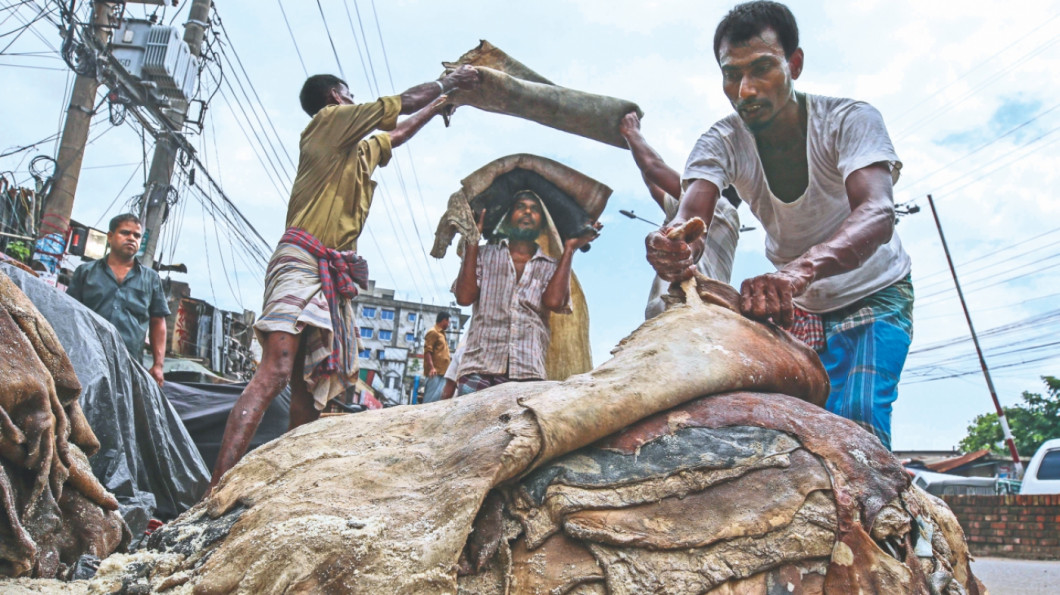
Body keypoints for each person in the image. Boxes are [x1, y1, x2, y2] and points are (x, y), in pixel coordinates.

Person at [645, 1, 912, 450]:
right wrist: (675, 244)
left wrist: (794, 273)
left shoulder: (849, 120)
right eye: (731, 74)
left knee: (858, 426)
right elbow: (692, 215)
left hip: (874, 293)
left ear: (795, 64)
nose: (745, 89)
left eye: (762, 68)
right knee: (794, 438)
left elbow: (878, 212)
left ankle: (888, 520)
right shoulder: (721, 141)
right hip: (797, 308)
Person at [209, 65, 482, 490]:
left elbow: (399, 132)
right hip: (300, 259)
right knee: (276, 370)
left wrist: (440, 104)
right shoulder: (328, 123)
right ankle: (217, 484)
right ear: (337, 97)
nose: (355, 102)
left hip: (328, 272)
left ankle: (284, 490)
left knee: (308, 387)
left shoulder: (357, 152)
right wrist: (449, 84)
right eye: (350, 95)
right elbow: (400, 105)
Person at [453, 191, 597, 395]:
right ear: (508, 217)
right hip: (479, 368)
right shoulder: (484, 255)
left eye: (535, 209)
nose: (528, 212)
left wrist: (570, 249)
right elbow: (464, 298)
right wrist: (472, 241)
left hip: (528, 372)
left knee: (520, 429)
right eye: (521, 207)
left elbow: (555, 302)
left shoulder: (550, 266)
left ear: (542, 223)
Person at [618, 111, 742, 319]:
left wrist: (632, 133)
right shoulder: (725, 217)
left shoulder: (715, 204)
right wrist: (633, 146)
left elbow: (654, 168)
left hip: (684, 307)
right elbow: (653, 181)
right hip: (706, 313)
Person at [67, 213, 169, 387]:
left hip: (129, 365)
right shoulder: (85, 273)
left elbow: (158, 322)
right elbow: (69, 314)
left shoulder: (151, 279)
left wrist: (158, 364)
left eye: (136, 235)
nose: (131, 238)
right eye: (125, 233)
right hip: (86, 360)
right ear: (110, 236)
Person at [421, 312, 451, 403]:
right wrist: (431, 368)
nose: (448, 324)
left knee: (438, 401)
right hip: (434, 373)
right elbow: (427, 351)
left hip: (443, 373)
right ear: (444, 320)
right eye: (448, 322)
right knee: (430, 400)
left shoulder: (442, 334)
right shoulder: (433, 332)